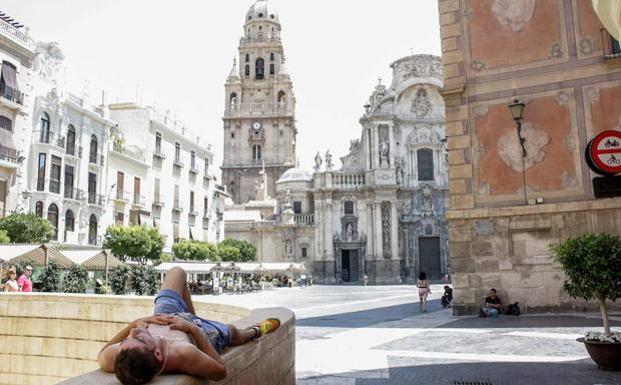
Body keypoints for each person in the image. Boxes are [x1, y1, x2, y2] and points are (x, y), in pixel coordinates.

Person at [97, 267, 281, 384]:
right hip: (199, 330)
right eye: (139, 337)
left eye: (127, 339)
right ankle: (256, 331)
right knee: (233, 333)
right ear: (158, 354)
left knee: (177, 272)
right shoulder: (182, 352)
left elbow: (101, 354)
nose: (135, 332)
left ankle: (192, 315)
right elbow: (220, 372)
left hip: (166, 314)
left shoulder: (120, 356)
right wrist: (192, 328)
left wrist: (132, 324)